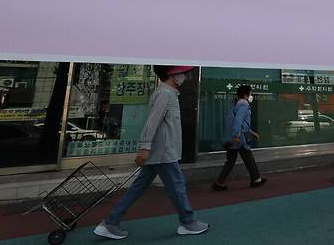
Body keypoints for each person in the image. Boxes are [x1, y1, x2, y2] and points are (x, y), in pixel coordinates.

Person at [93, 65, 208, 240]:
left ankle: (111, 222)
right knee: (177, 186)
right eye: (184, 73)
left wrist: (147, 148)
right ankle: (188, 221)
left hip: (160, 151)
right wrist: (145, 146)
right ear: (173, 73)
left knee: (139, 187)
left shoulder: (168, 93)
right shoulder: (165, 94)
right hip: (164, 151)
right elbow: (152, 122)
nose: (186, 77)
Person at [212, 84, 266, 191]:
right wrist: (236, 135)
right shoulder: (244, 104)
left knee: (231, 161)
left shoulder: (237, 104)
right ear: (246, 94)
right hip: (239, 138)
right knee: (248, 157)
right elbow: (238, 121)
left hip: (236, 136)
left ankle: (219, 183)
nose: (251, 95)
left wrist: (251, 132)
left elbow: (239, 122)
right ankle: (256, 179)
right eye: (250, 93)